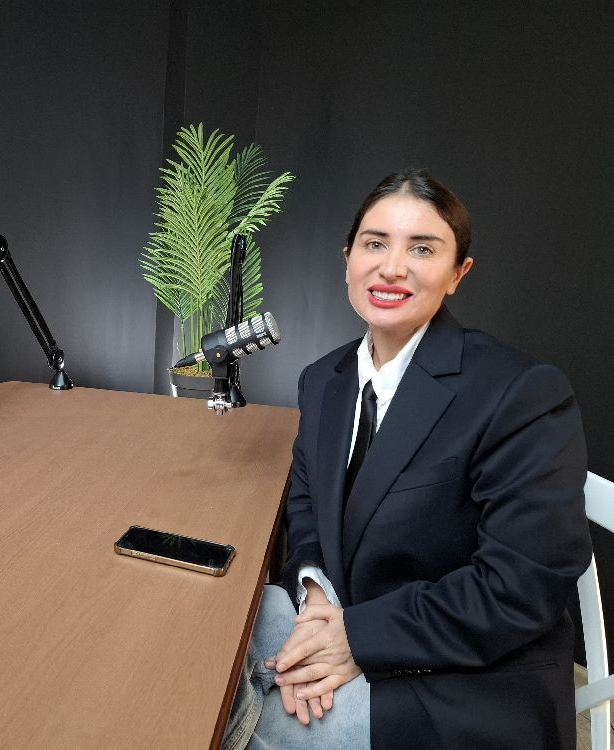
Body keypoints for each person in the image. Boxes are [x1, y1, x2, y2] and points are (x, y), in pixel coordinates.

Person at [223, 169, 591, 749]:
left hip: (462, 680)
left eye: (422, 249)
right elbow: (307, 502)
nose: (392, 268)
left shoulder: (520, 392)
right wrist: (317, 593)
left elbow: (521, 587)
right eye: (375, 244)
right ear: (348, 260)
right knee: (209, 629)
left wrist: (357, 638)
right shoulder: (322, 380)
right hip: (342, 615)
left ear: (458, 274)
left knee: (237, 726)